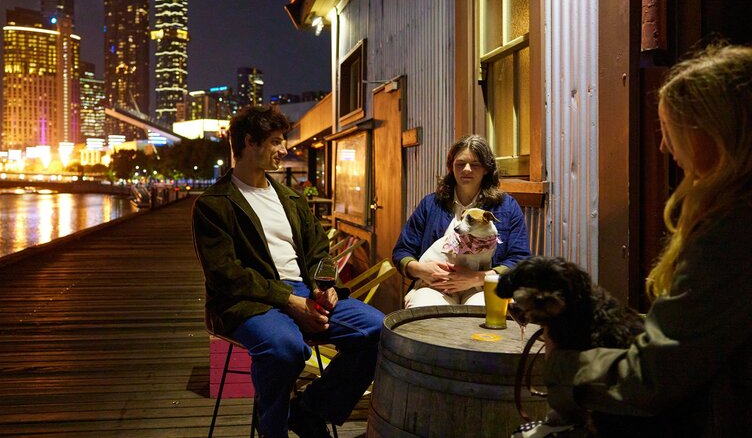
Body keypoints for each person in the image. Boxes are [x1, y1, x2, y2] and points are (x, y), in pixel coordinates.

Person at [542, 44, 752, 436]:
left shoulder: (732, 231)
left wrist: (562, 366)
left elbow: (657, 373)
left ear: (717, 131)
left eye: (673, 130)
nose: (663, 147)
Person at [193, 105, 383, 438]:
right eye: (277, 142)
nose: (284, 150)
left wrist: (327, 286)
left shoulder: (291, 199)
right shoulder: (214, 203)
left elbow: (318, 251)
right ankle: (273, 428)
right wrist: (288, 300)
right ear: (251, 143)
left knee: (381, 331)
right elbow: (225, 274)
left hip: (305, 291)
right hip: (250, 303)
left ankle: (310, 410)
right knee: (286, 349)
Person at [392, 134, 531, 307]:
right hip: (434, 286)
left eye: (475, 164)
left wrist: (477, 278)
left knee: (482, 311)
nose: (466, 169)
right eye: (460, 164)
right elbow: (402, 251)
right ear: (451, 166)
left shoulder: (506, 208)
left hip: (482, 286)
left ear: (487, 169)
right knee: (424, 310)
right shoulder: (431, 204)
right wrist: (421, 270)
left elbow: (520, 259)